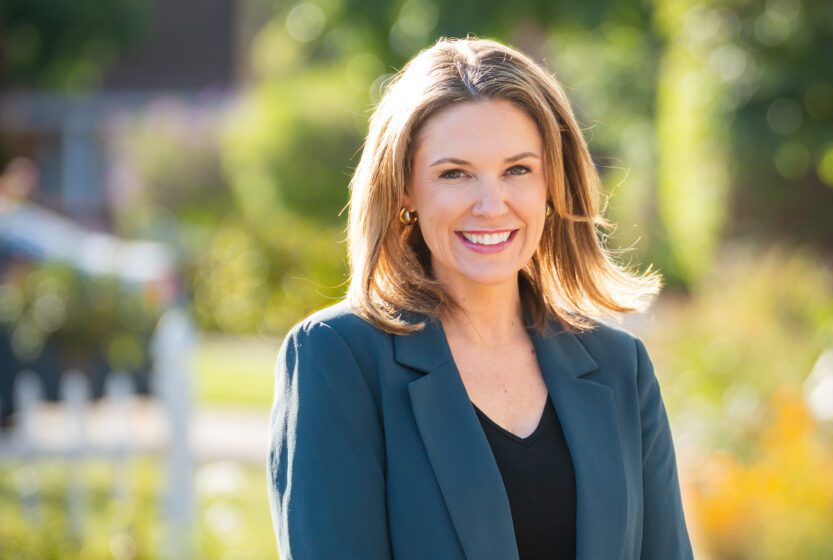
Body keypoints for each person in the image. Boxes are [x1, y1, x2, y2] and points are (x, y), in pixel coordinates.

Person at [267, 36, 694, 560]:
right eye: (455, 173)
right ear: (405, 189)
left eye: (518, 170)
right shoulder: (337, 357)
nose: (491, 205)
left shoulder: (620, 366)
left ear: (552, 184)